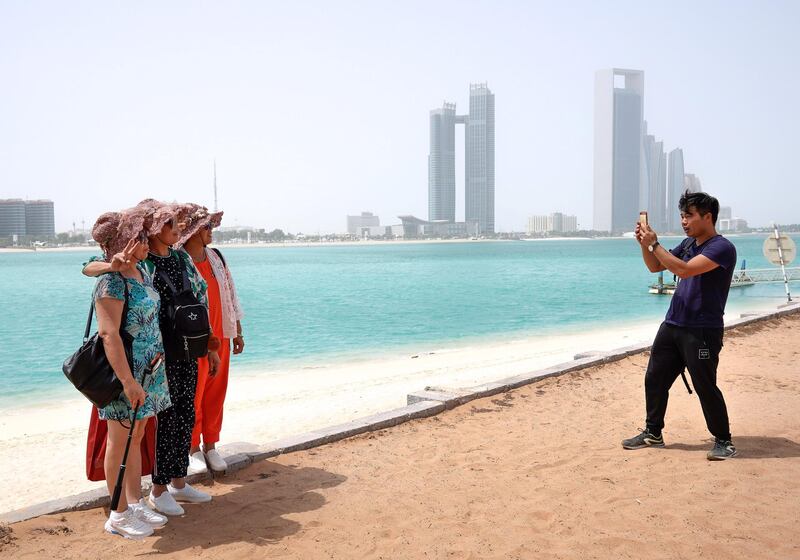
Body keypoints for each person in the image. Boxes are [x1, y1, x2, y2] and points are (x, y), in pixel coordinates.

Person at [85, 200, 221, 516]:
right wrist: (111, 264)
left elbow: (200, 300)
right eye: (171, 225)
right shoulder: (139, 266)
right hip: (151, 358)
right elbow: (90, 266)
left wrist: (211, 344)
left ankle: (176, 482)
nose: (179, 231)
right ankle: (150, 494)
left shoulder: (177, 259)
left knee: (183, 416)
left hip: (181, 350)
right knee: (158, 426)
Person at [623, 190, 738, 460]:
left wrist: (655, 244)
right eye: (682, 216)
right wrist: (644, 243)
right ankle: (653, 433)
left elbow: (684, 270)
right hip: (673, 323)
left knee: (705, 385)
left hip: (702, 329)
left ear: (707, 217)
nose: (684, 221)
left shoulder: (721, 248)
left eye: (689, 216)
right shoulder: (688, 245)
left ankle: (724, 440)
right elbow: (655, 267)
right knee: (654, 378)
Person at [90, 209, 172, 539]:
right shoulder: (111, 280)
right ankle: (117, 512)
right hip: (126, 374)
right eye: (139, 237)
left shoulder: (140, 273)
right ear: (125, 242)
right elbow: (109, 334)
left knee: (136, 435)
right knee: (119, 439)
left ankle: (134, 501)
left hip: (149, 369)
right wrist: (127, 381)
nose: (146, 242)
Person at [177, 204, 245, 474]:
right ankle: (192, 447)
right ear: (193, 231)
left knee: (217, 391)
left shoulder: (217, 257)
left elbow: (230, 294)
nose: (211, 231)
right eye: (206, 227)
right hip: (194, 339)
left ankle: (211, 444)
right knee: (194, 392)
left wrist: (238, 330)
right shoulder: (180, 261)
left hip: (222, 333)